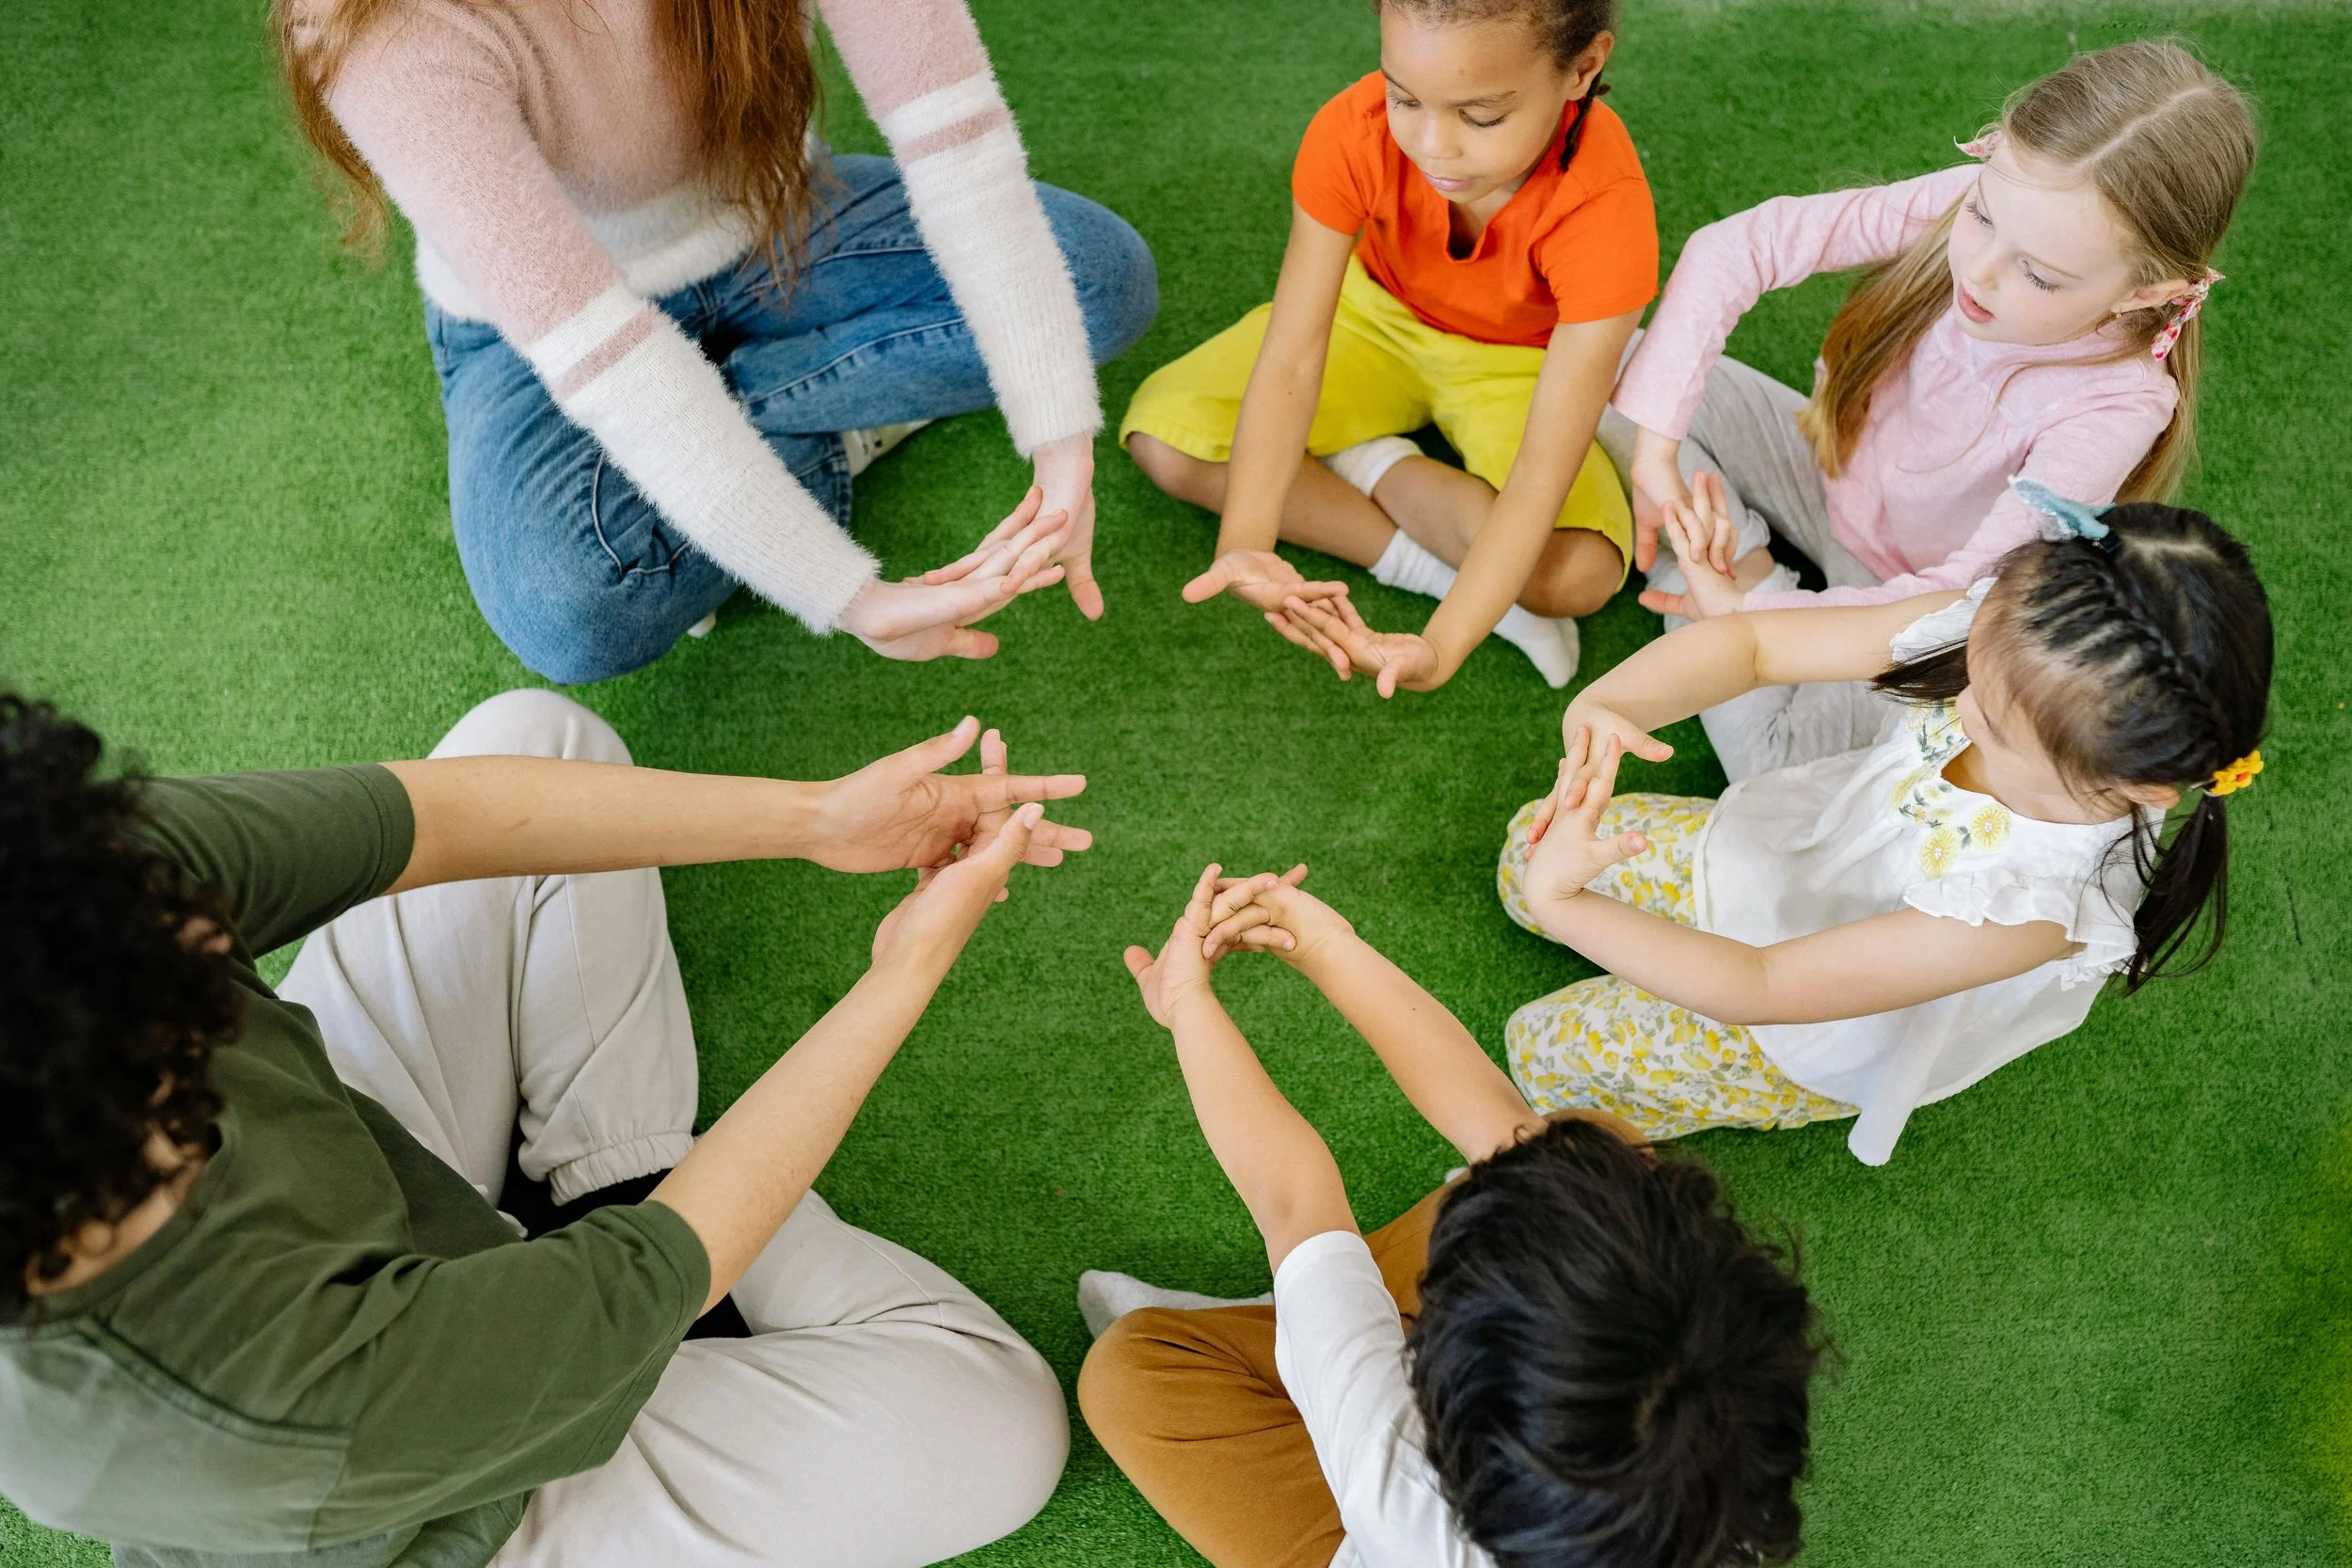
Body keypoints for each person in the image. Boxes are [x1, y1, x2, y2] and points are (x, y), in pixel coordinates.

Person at [0, 688, 1089, 1568]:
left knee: (539, 735)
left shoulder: (69, 894)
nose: (205, 916)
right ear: (131, 1126)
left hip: (386, 1203)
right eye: (185, 985)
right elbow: (652, 1268)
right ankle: (634, 1186)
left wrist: (820, 817)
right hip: (447, 1505)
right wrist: (902, 971)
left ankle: (613, 1168)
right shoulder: (265, 1408)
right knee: (1000, 1422)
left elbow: (441, 817)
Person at [276, 0, 1159, 684]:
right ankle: (826, 424)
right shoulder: (369, 24)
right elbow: (607, 356)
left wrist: (1059, 435)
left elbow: (955, 137)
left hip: (772, 218)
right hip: (544, 332)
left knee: (1098, 285)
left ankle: (731, 465)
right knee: (570, 609)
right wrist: (848, 597)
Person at [1496, 481, 2271, 1165]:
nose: (1960, 705)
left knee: (1544, 1050)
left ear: (2141, 786)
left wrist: (1571, 905)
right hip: (1786, 850)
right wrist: (1609, 706)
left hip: (1794, 1024)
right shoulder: (2013, 634)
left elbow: (1760, 983)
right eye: (1973, 667)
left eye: (1995, 728)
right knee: (1523, 854)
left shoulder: (2036, 905)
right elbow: (1757, 645)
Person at [1076, 863, 1820, 1568]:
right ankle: (1311, 1313)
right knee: (1588, 1151)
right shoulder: (1708, 1463)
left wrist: (1187, 1005)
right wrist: (1329, 947)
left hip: (1359, 1525)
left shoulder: (1393, 1478)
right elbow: (1503, 1125)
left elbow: (1293, 1198)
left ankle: (1296, 1320)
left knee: (1129, 1373)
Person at [1604, 39, 2255, 776]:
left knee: (1770, 761)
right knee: (1621, 368)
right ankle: (1725, 558)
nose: (1976, 270)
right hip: (1824, 463)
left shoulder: (2121, 404)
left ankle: (1733, 571)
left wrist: (1750, 617)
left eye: (2039, 277)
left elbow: (1962, 595)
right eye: (1980, 216)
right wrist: (1657, 453)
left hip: (1907, 600)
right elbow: (1740, 247)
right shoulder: (2002, 199)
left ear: (2146, 293)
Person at [1123, 0, 1656, 695]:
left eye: (1480, 116)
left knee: (1579, 572)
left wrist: (1440, 650)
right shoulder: (1353, 128)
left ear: (1582, 69)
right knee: (1166, 441)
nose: (1432, 145)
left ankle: (1367, 461)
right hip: (1370, 316)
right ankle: (1430, 565)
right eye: (1403, 96)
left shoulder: (1606, 212)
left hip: (1520, 361)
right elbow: (1293, 354)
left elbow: (1538, 476)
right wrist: (1247, 542)